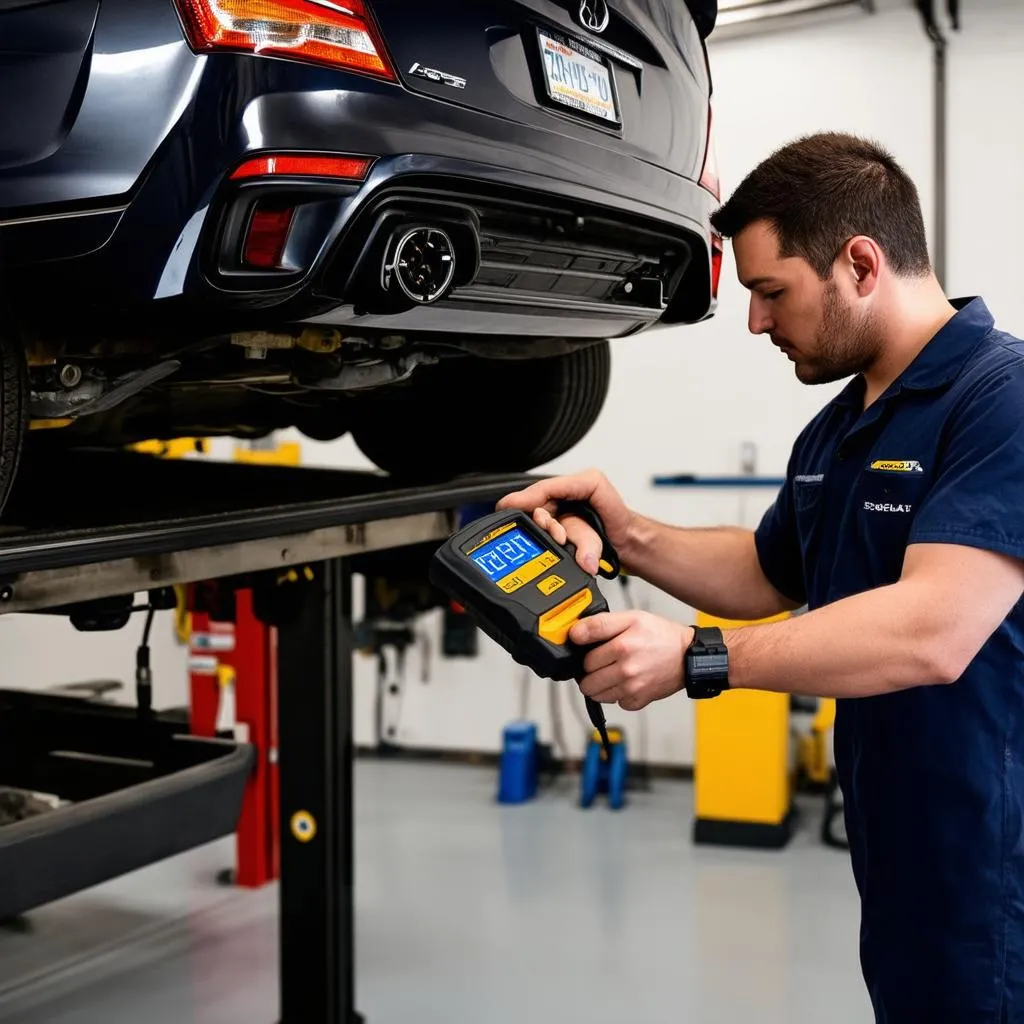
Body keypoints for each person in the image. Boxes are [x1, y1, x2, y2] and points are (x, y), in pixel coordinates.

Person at [497, 132, 1024, 1022]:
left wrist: (700, 660)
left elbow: (936, 629)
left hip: (994, 863)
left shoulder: (998, 398)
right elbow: (768, 571)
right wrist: (627, 534)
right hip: (901, 858)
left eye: (769, 292)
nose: (755, 323)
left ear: (860, 263)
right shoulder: (837, 428)